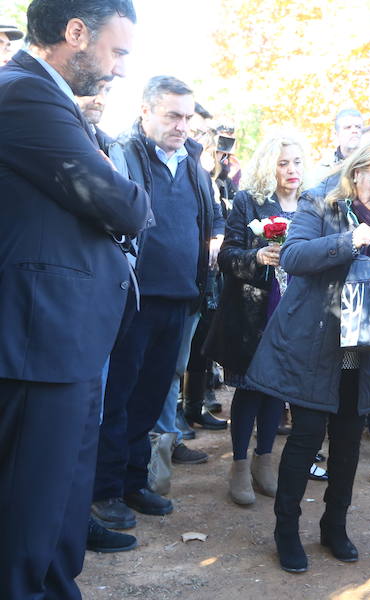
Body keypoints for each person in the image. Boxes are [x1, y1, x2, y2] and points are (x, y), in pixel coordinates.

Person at [0, 0, 149, 595]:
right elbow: (125, 206)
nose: (118, 69)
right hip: (41, 341)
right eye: (117, 51)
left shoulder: (52, 102)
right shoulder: (23, 94)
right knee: (29, 508)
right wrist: (127, 191)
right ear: (76, 32)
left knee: (62, 499)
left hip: (68, 339)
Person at [245, 137, 370, 573]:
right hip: (317, 343)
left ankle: (334, 526)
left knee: (349, 443)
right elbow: (294, 257)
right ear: (356, 173)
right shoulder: (320, 202)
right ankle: (286, 531)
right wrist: (350, 241)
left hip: (363, 346)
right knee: (306, 437)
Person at [91, 75, 224, 538]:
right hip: (132, 302)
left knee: (150, 398)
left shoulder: (192, 165)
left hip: (180, 300)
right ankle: (103, 490)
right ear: (145, 111)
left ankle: (132, 482)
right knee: (118, 397)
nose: (181, 125)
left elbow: (204, 225)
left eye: (187, 117)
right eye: (172, 115)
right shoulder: (122, 155)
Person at [206, 132, 306, 505]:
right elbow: (228, 256)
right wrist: (257, 256)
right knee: (249, 391)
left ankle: (266, 462)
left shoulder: (311, 204)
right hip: (253, 315)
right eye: (283, 163)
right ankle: (239, 465)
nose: (291, 170)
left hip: (294, 314)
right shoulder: (249, 201)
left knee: (275, 393)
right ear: (269, 166)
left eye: (296, 162)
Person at [308, 107, 364, 186]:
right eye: (348, 127)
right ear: (336, 134)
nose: (354, 131)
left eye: (358, 127)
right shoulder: (323, 169)